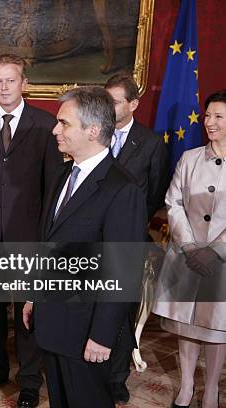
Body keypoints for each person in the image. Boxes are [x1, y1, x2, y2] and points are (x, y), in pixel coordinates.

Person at [23, 86, 147, 407]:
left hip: (88, 333)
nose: (55, 129)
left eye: (63, 123)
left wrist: (103, 335)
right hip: (53, 323)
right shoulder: (63, 173)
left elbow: (124, 270)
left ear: (92, 131)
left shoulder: (123, 189)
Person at [0, 53, 62, 407]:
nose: (4, 86)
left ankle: (31, 379)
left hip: (28, 232)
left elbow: (52, 186)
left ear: (24, 83)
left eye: (11, 80)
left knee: (27, 310)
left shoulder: (46, 124)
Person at [152, 90, 226, 408]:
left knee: (216, 326)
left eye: (218, 117)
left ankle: (211, 390)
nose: (209, 122)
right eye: (207, 115)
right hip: (187, 256)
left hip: (222, 262)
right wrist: (191, 247)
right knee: (187, 323)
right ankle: (186, 386)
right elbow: (174, 202)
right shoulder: (190, 157)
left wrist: (216, 249)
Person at [104, 73, 170, 403]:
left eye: (114, 101)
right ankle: (91, 369)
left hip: (128, 241)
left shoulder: (152, 143)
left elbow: (156, 193)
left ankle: (117, 376)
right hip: (91, 240)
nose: (108, 106)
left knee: (120, 312)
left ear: (133, 104)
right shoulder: (92, 135)